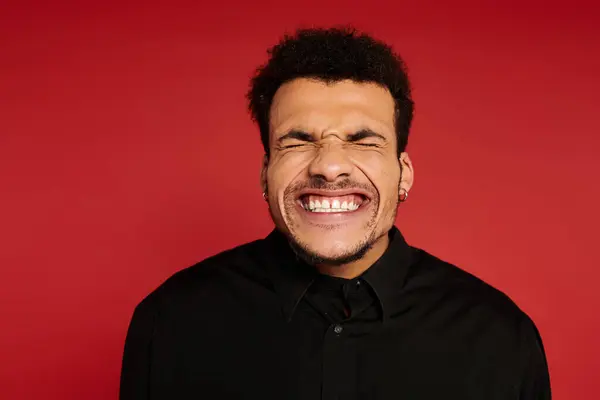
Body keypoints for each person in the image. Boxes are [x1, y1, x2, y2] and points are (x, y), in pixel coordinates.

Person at [119, 27, 551, 399]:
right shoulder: (170, 325)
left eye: (363, 141)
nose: (328, 165)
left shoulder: (501, 338)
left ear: (404, 174)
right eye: (297, 141)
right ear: (265, 172)